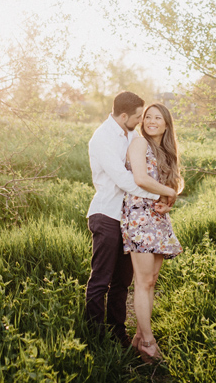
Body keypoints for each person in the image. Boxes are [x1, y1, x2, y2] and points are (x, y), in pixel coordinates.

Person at [85, 92, 177, 348]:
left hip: (126, 218)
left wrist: (164, 196)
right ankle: (95, 337)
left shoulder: (130, 135)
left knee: (122, 283)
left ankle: (119, 335)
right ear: (125, 116)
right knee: (101, 279)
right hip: (106, 214)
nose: (141, 122)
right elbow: (126, 180)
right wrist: (163, 193)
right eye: (139, 117)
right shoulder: (103, 138)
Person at [122, 102, 184, 363]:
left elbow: (176, 182)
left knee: (151, 280)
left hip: (157, 218)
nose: (151, 121)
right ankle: (148, 342)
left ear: (167, 124)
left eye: (158, 117)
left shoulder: (165, 151)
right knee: (143, 281)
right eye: (148, 117)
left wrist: (171, 196)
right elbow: (140, 178)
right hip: (138, 216)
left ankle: (138, 336)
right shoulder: (139, 143)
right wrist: (169, 193)